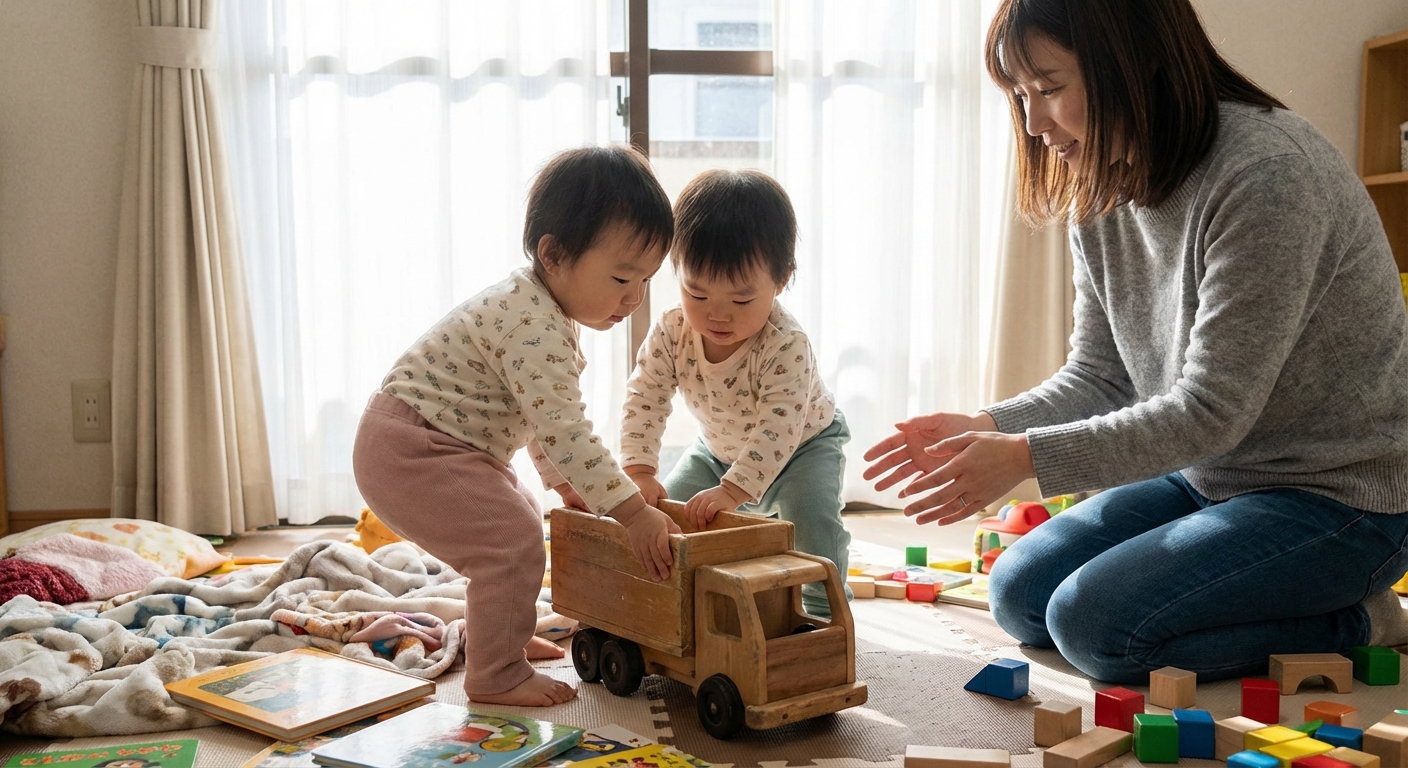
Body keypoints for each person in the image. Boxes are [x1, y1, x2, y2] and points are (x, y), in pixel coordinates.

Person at [863, 0, 1408, 684]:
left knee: (1099, 629)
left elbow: (1212, 410)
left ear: (1134, 59)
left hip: (1340, 497)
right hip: (1210, 476)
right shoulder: (1100, 184)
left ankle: (1363, 619)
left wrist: (1022, 457)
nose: (1033, 124)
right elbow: (1100, 375)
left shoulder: (1267, 175)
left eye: (1051, 88)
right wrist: (985, 426)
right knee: (1019, 593)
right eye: (1020, 96)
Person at [352, 145, 681, 707]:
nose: (634, 297)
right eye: (622, 276)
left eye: (647, 280)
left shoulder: (540, 309)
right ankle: (495, 674)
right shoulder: (533, 323)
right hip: (412, 449)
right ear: (553, 255)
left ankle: (497, 633)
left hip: (432, 443)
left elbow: (539, 422)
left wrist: (566, 486)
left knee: (524, 521)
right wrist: (630, 510)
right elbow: (565, 430)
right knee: (510, 543)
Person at [619, 169, 853, 618]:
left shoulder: (785, 344)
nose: (718, 316)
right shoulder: (671, 329)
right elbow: (645, 397)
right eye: (696, 293)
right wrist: (640, 468)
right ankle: (678, 602)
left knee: (812, 519)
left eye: (742, 300)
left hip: (803, 448)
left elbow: (776, 431)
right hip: (716, 450)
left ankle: (825, 611)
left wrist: (732, 492)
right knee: (672, 516)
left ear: (781, 279)